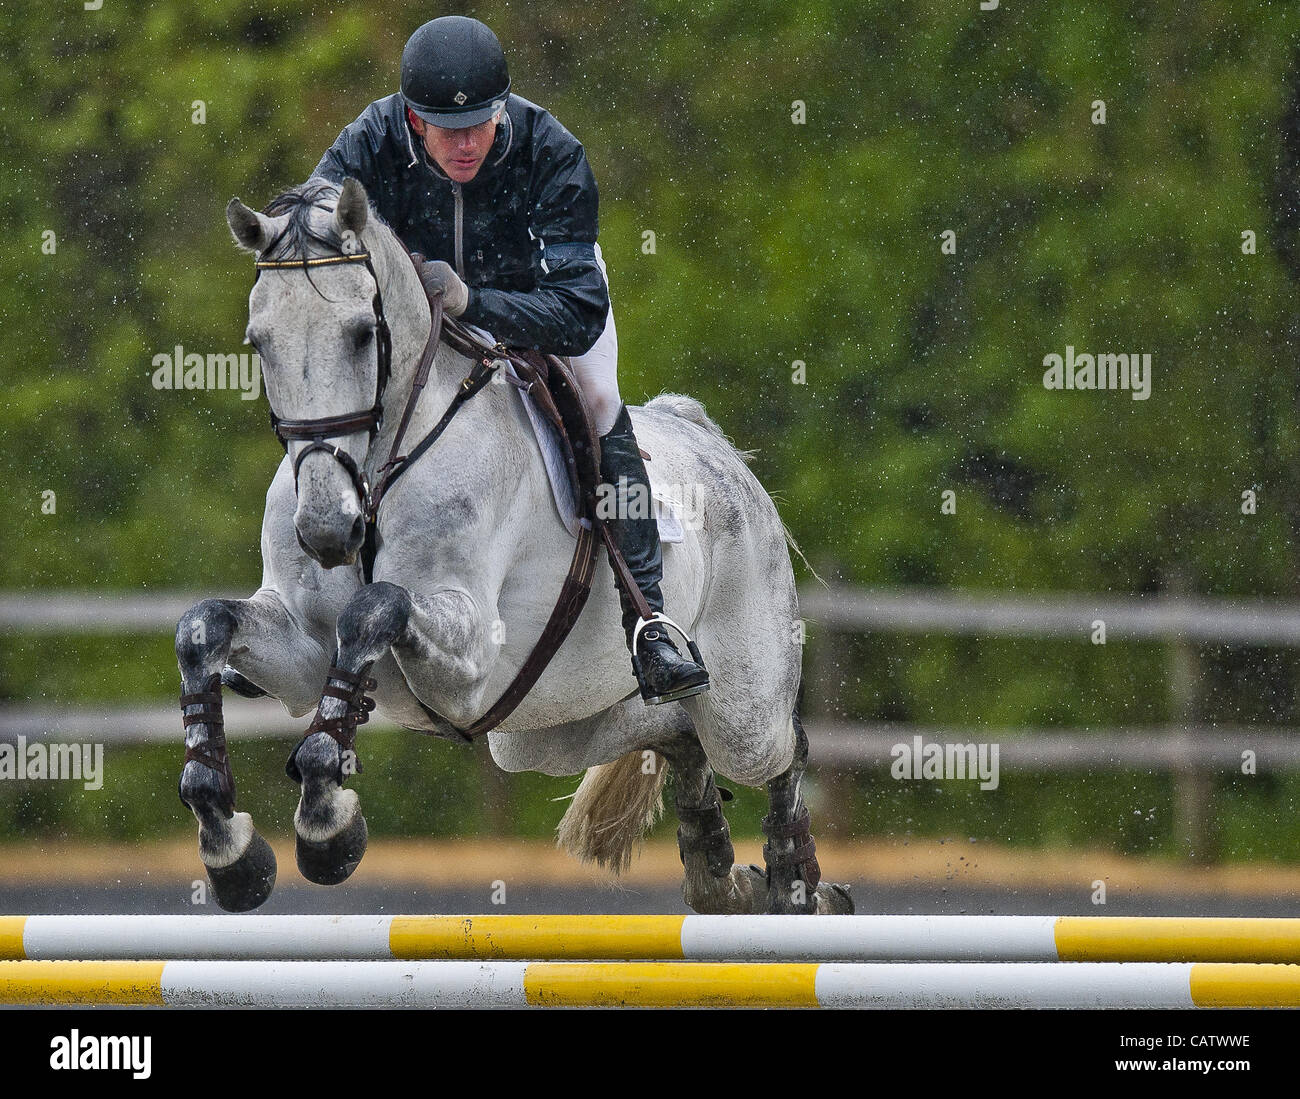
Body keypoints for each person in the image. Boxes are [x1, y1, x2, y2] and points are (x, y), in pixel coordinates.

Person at [313, 15, 709, 705]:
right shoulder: (369, 140)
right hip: (422, 323)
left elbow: (579, 311)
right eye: (446, 127)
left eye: (481, 125)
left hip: (540, 301)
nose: (466, 144)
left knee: (597, 397)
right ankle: (304, 601)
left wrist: (475, 301)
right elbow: (314, 236)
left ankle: (650, 620)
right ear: (412, 117)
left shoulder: (551, 151)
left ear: (503, 108)